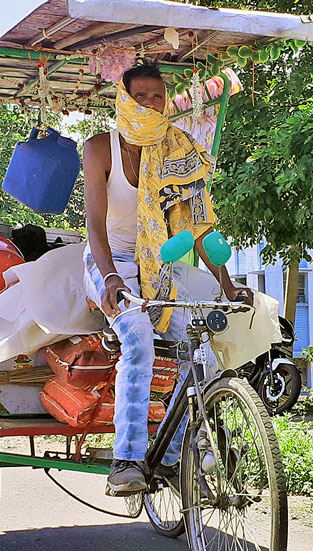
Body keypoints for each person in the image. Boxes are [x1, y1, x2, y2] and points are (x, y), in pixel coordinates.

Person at [83, 61, 253, 495]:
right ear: (123, 98)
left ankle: (173, 457)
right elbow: (95, 227)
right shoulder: (101, 149)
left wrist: (228, 284)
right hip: (112, 262)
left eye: (157, 97)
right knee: (138, 339)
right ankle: (126, 459)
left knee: (206, 354)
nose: (150, 104)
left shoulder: (178, 149)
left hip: (158, 264)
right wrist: (109, 280)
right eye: (140, 96)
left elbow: (199, 228)